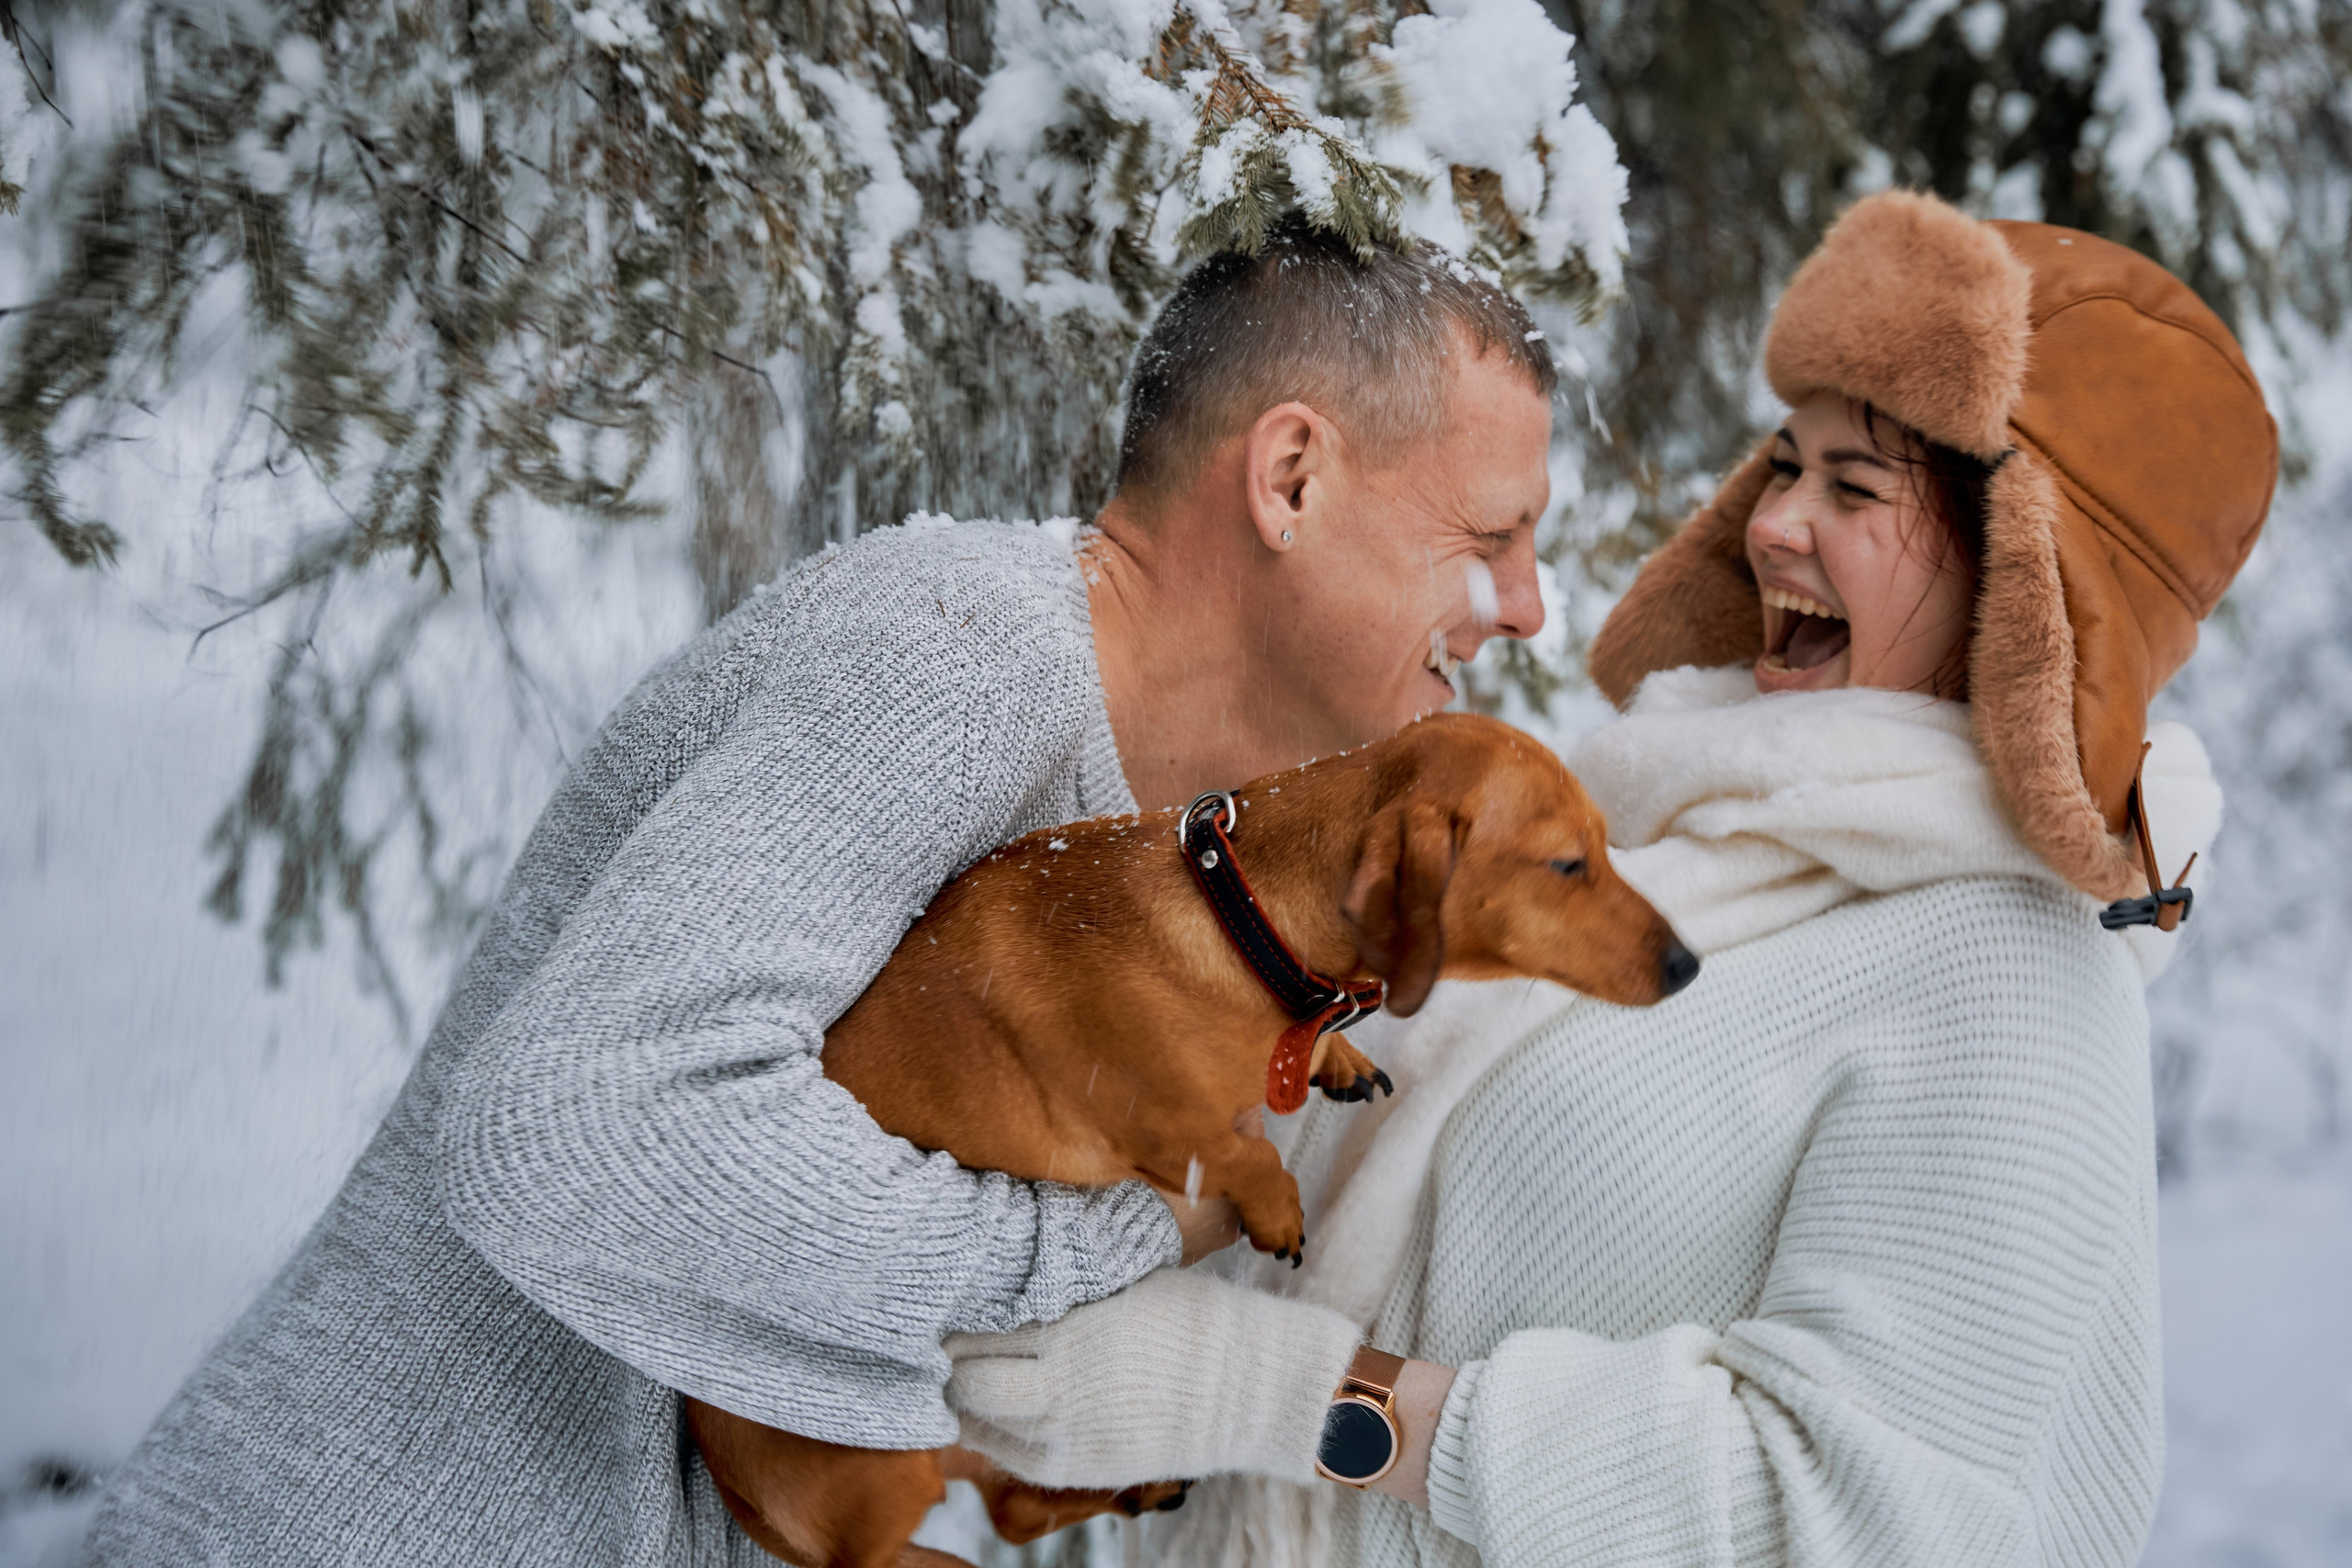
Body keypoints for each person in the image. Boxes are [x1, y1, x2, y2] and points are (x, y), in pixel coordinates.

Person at [76, 218, 1559, 1564]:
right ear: (1291, 477)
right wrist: (1101, 1244)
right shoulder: (957, 653)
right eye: (1489, 537)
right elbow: (575, 1123)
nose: (1531, 605)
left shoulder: (1176, 848)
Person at [944, 190, 2278, 1568]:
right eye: (1784, 464)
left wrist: (1271, 1395)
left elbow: (1859, 1519)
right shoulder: (1663, 841)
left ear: (2025, 587)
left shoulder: (2014, 988)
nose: (1772, 525)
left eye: (1856, 487)